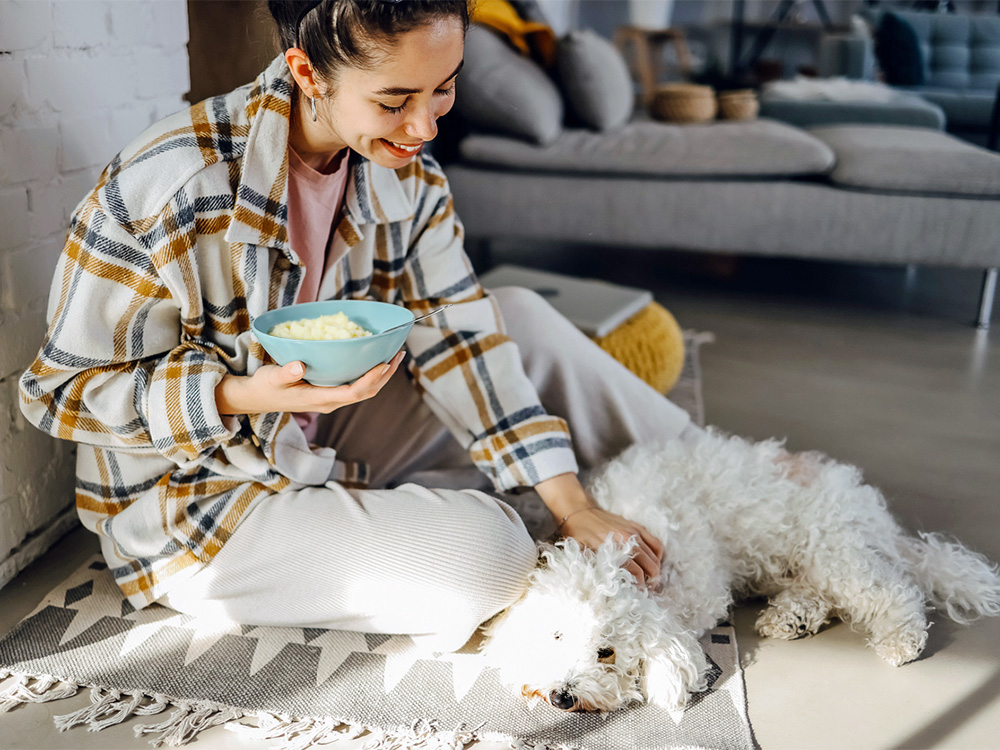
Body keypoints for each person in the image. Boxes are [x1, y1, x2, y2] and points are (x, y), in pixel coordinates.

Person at [18, 0, 700, 652]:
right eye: (394, 100)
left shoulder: (408, 173)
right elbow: (56, 392)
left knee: (515, 313)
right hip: (199, 505)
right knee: (491, 559)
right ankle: (471, 518)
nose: (424, 126)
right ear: (307, 72)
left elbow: (459, 336)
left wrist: (571, 503)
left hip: (322, 433)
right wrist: (237, 395)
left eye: (443, 89)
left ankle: (729, 473)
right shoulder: (169, 184)